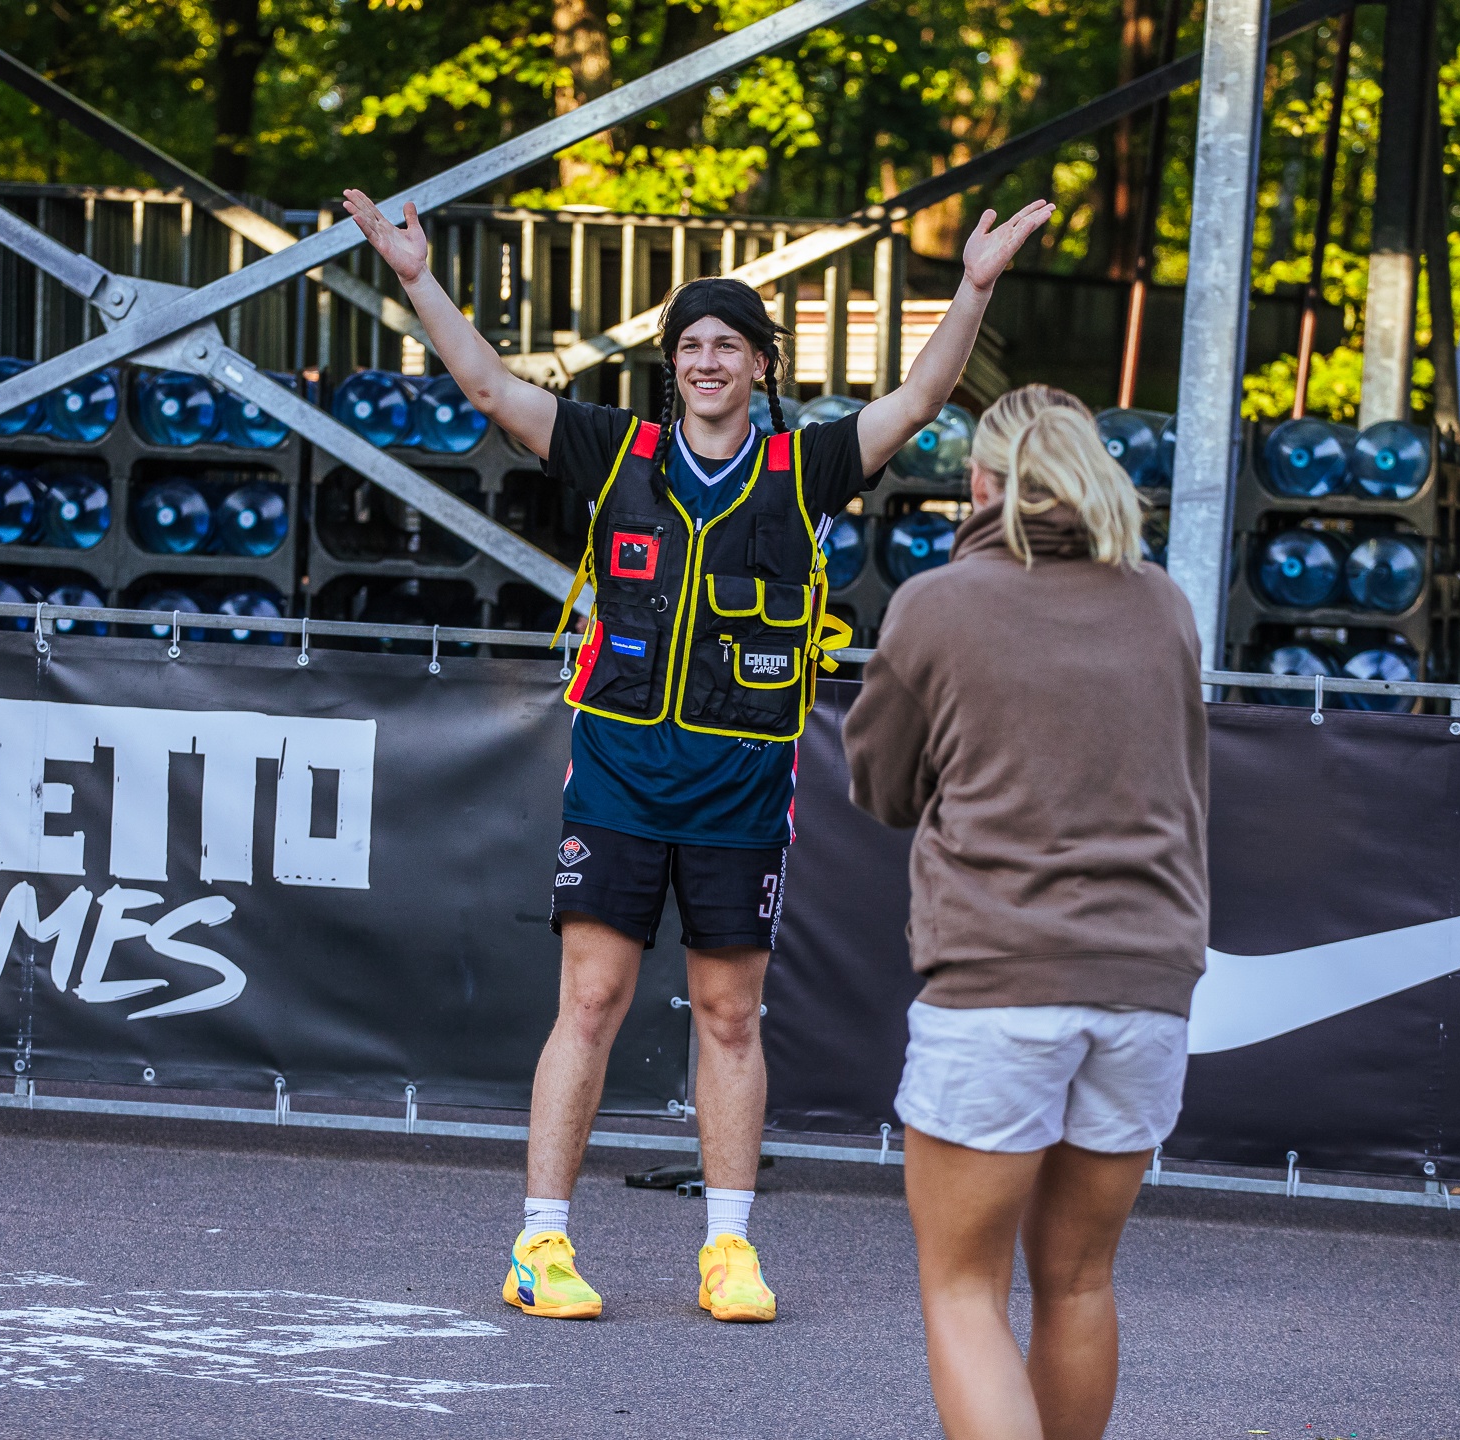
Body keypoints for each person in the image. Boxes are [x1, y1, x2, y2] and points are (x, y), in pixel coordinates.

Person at [342, 186, 1056, 1324]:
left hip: (741, 790)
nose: (708, 361)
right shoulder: (611, 448)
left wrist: (972, 287)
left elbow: (921, 399)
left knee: (730, 1016)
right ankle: (540, 1242)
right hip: (620, 776)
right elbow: (487, 387)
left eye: (728, 345)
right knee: (591, 1000)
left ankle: (728, 1249)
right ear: (671, 364)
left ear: (762, 365)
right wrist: (417, 276)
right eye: (690, 345)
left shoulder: (807, 467)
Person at [843, 387, 1209, 1438]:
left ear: (981, 482)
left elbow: (880, 786)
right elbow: (1190, 785)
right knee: (1080, 1281)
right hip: (1146, 985)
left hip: (1000, 978)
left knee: (963, 1289)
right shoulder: (1163, 604)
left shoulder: (939, 605)